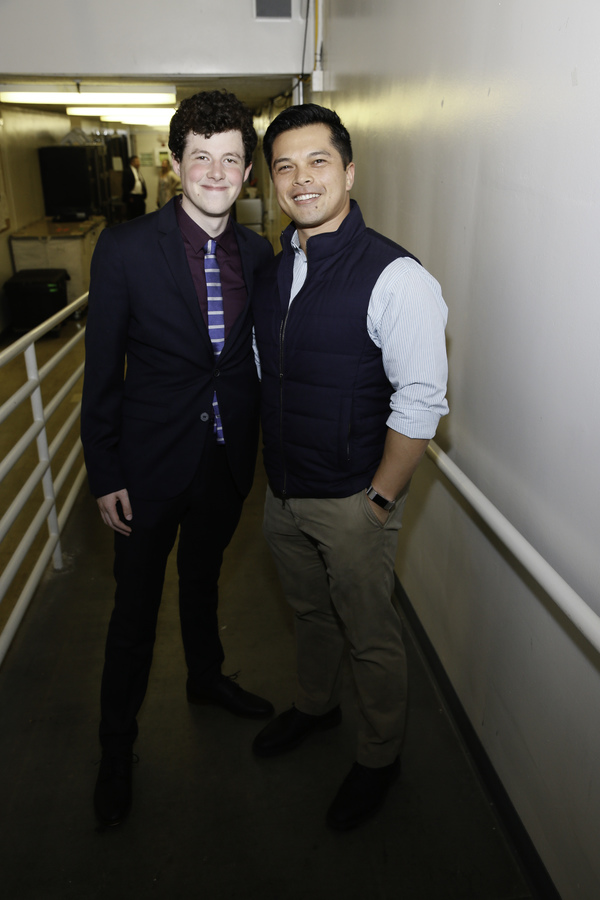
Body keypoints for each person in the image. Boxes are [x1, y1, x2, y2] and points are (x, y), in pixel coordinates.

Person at [251, 104, 449, 831]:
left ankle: (378, 755)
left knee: (369, 634)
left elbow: (422, 400)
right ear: (272, 181)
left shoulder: (395, 277)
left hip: (351, 501)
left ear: (349, 170)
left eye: (318, 162)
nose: (301, 179)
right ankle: (315, 707)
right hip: (285, 495)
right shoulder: (278, 271)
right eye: (285, 166)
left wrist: (378, 500)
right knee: (309, 614)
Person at [81, 90, 274, 828]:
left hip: (224, 463)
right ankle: (115, 745)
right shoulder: (128, 249)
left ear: (247, 171)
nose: (217, 173)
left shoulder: (257, 256)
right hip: (147, 470)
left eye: (231, 159)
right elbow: (102, 375)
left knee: (202, 581)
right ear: (175, 164)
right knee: (132, 614)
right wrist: (106, 472)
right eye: (202, 158)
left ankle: (205, 678)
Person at [122, 154, 147, 219]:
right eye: (137, 161)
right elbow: (125, 185)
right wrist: (129, 197)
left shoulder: (138, 171)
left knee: (141, 215)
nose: (139, 163)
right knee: (134, 216)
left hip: (140, 197)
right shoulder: (128, 171)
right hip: (133, 197)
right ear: (132, 162)